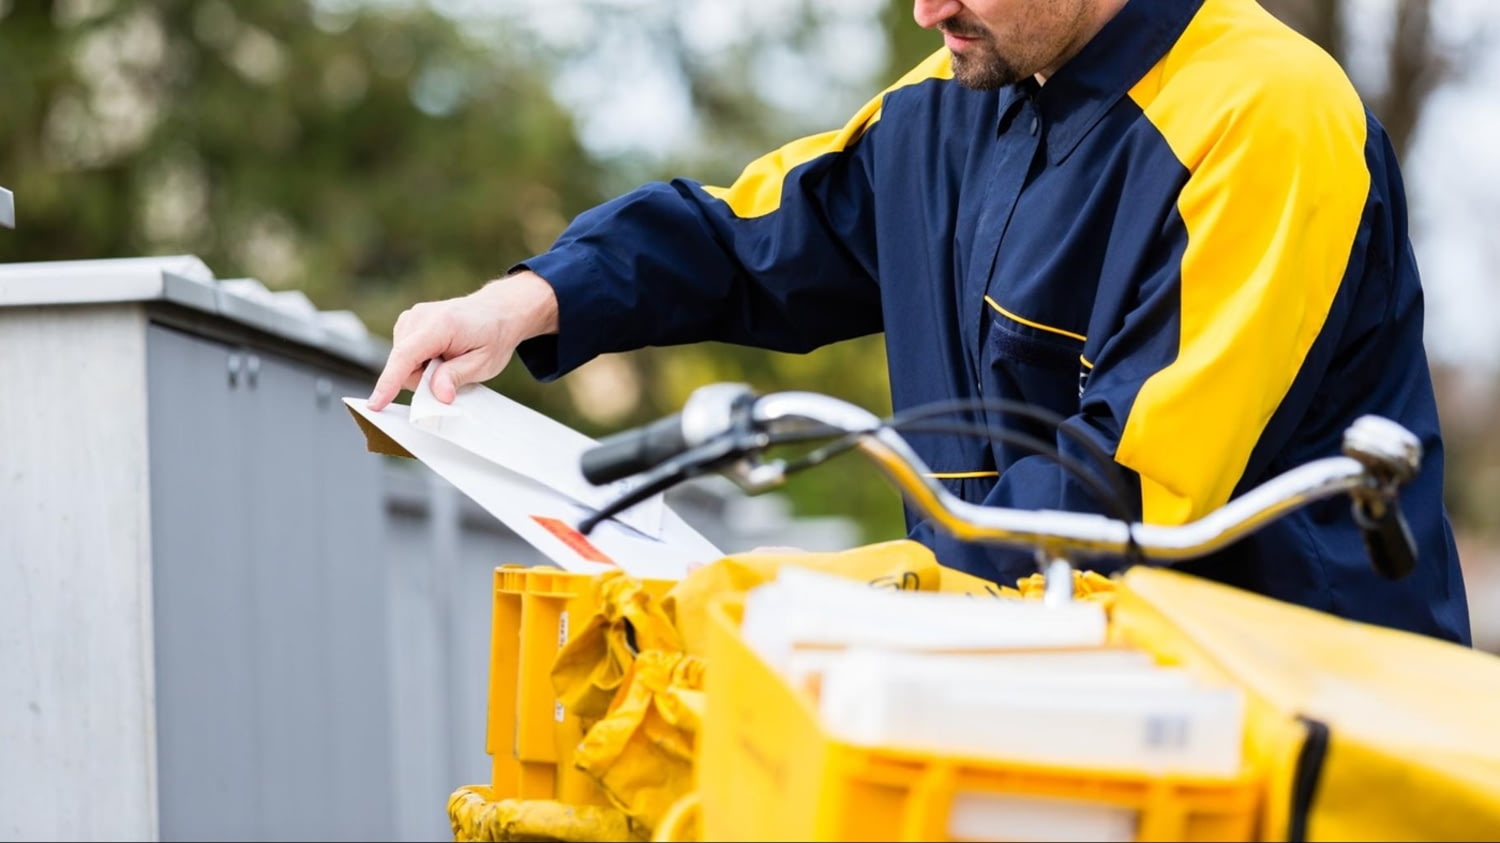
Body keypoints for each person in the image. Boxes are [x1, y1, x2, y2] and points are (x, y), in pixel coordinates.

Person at [368, 0, 1471, 645]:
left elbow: (1118, 500)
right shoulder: (957, 96)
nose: (926, 8)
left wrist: (834, 603)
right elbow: (750, 238)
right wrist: (527, 301)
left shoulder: (1270, 119)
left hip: (1293, 740)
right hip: (1036, 700)